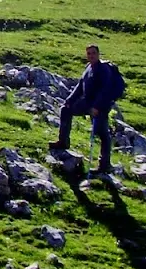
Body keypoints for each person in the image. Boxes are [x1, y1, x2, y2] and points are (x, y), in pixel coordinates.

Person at [49, 44, 119, 174]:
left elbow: (105, 90)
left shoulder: (104, 69)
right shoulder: (88, 68)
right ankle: (63, 142)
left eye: (93, 53)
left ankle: (105, 165)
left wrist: (97, 107)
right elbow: (80, 86)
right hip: (87, 103)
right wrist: (69, 100)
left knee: (102, 133)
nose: (91, 56)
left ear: (98, 54)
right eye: (88, 53)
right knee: (66, 110)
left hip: (100, 106)